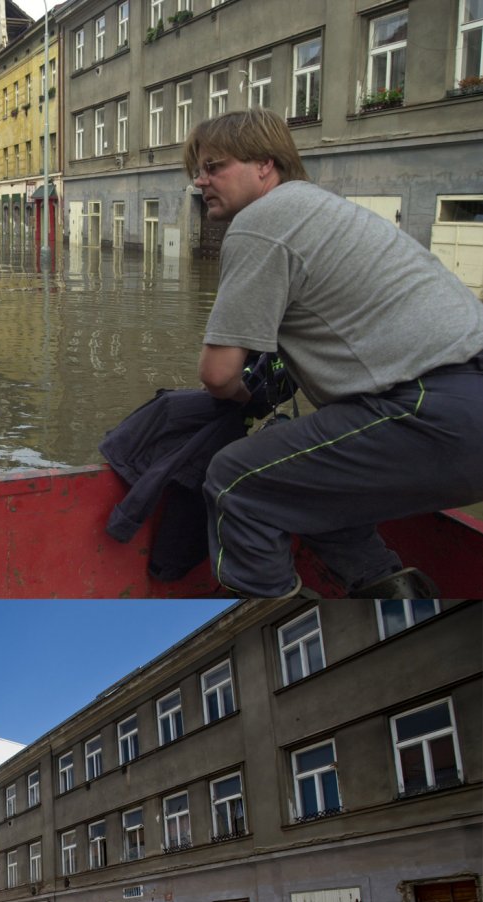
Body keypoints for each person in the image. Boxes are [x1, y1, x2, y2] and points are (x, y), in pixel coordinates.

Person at [183, 108, 483, 598]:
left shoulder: (261, 222)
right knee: (300, 474)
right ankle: (391, 590)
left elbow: (217, 374)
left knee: (237, 479)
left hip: (435, 412)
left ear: (265, 164)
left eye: (214, 166)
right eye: (198, 170)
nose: (200, 181)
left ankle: (273, 616)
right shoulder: (323, 208)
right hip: (460, 409)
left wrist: (245, 399)